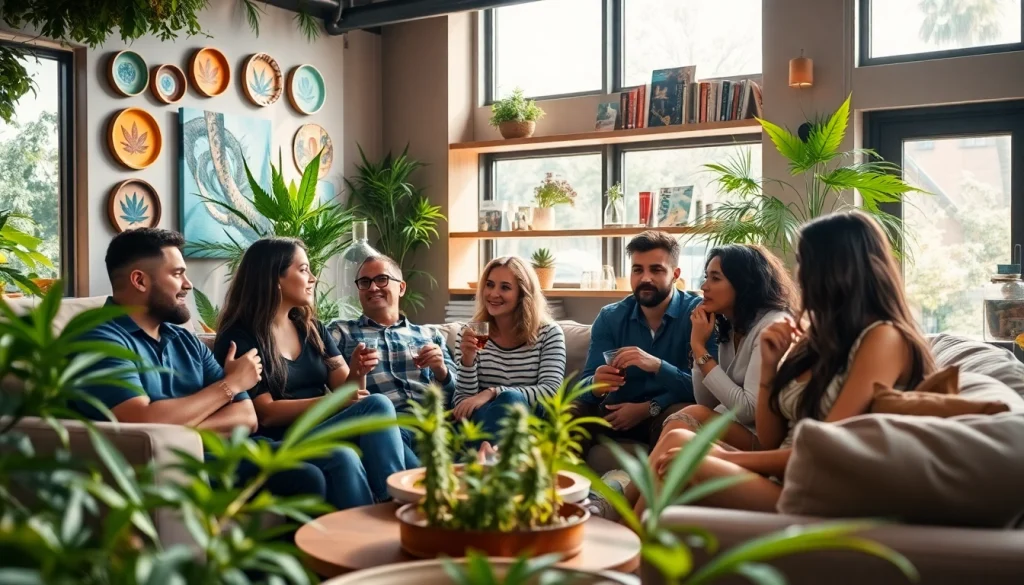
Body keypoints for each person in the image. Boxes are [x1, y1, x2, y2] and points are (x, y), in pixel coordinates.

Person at [649, 211, 935, 512]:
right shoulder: (822, 338)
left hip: (812, 488)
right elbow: (773, 438)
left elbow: (825, 448)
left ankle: (626, 547)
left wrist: (724, 458)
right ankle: (623, 534)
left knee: (683, 456)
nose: (798, 274)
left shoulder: (884, 338)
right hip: (784, 473)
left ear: (837, 269)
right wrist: (770, 367)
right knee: (678, 438)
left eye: (805, 262)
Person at [73, 228, 365, 512]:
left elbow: (246, 417)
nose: (188, 284)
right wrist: (231, 385)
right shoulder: (101, 339)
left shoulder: (185, 340)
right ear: (140, 280)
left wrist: (180, 426)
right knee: (309, 475)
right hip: (177, 464)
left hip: (230, 451)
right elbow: (142, 421)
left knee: (339, 455)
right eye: (177, 274)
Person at [213, 237, 409, 505]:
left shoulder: (311, 327)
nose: (313, 278)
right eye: (303, 269)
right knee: (378, 406)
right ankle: (401, 501)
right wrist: (331, 401)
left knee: (372, 424)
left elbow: (348, 391)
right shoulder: (241, 338)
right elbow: (265, 413)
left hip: (324, 426)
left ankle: (403, 504)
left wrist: (357, 371)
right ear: (275, 278)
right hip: (280, 439)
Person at [574, 230, 712, 455]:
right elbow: (583, 388)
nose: (645, 278)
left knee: (681, 414)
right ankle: (566, 486)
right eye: (637, 270)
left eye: (656, 269)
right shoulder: (610, 317)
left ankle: (652, 489)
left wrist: (653, 397)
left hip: (665, 414)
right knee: (571, 410)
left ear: (675, 274)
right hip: (613, 414)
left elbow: (706, 389)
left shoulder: (697, 315)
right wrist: (596, 384)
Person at [660, 244, 798, 448]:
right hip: (732, 425)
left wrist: (698, 347)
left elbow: (749, 410)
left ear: (744, 284)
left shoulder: (772, 326)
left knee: (690, 416)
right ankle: (631, 480)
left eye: (715, 278)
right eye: (706, 277)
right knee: (683, 429)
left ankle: (627, 480)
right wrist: (700, 348)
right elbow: (707, 403)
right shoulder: (731, 325)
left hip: (762, 438)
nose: (704, 286)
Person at [329, 255, 457, 467]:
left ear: (402, 288)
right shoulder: (340, 332)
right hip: (385, 425)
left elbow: (457, 394)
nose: (372, 288)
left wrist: (441, 371)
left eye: (381, 279)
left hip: (433, 424)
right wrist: (356, 370)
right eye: (365, 282)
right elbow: (339, 397)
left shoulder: (430, 335)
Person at [452, 255, 566, 438]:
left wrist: (493, 392)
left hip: (528, 424)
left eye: (505, 287)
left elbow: (550, 392)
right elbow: (463, 403)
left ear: (523, 294)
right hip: (482, 421)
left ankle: (473, 462)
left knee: (510, 399)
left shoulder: (549, 333)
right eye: (489, 285)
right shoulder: (470, 333)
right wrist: (468, 360)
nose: (493, 294)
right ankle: (485, 460)